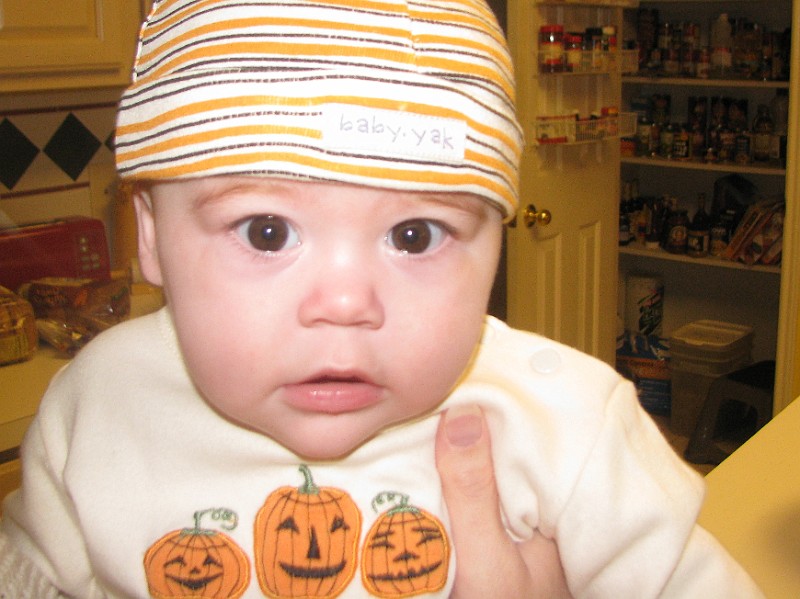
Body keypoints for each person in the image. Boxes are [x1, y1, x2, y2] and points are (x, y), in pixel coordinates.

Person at [0, 0, 761, 597]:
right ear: (151, 239)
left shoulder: (565, 427)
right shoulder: (97, 406)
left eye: (414, 234)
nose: (344, 301)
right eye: (267, 232)